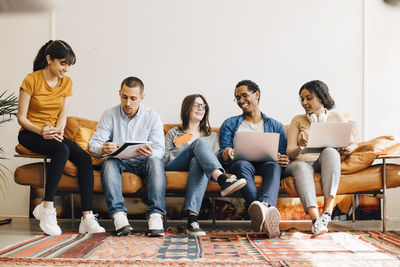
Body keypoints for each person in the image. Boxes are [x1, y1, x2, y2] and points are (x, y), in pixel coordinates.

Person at [17, 40, 105, 236]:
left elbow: (63, 115)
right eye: (63, 63)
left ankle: (87, 217)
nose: (66, 69)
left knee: (83, 157)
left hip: (52, 133)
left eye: (69, 65)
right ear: (49, 59)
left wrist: (57, 131)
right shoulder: (31, 80)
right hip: (30, 133)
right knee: (62, 150)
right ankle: (47, 208)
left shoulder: (66, 83)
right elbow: (21, 118)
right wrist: (41, 131)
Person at [89, 76, 166, 237]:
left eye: (133, 98)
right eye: (124, 97)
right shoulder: (110, 114)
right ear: (119, 93)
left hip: (145, 161)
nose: (128, 103)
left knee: (155, 160)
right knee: (109, 162)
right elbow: (93, 145)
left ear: (142, 98)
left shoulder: (153, 116)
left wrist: (151, 153)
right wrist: (103, 148)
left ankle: (155, 216)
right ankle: (118, 216)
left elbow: (160, 149)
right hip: (120, 162)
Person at [164, 94, 247, 236]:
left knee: (198, 160)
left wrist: (197, 152)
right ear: (187, 108)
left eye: (203, 106)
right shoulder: (174, 133)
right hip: (175, 165)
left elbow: (214, 159)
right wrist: (189, 145)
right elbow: (165, 158)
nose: (201, 108)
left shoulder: (211, 135)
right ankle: (222, 180)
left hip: (201, 167)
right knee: (199, 143)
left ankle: (192, 221)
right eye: (196, 105)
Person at [218, 80, 289, 238]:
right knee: (242, 164)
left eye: (244, 95)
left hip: (267, 164)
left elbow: (282, 154)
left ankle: (261, 211)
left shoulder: (276, 126)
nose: (241, 101)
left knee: (274, 166)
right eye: (237, 98)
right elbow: (223, 151)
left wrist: (283, 159)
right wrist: (226, 153)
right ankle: (266, 212)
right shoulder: (229, 124)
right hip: (242, 164)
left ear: (256, 94)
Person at [283, 80, 350, 236]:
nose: (304, 102)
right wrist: (300, 146)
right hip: (301, 162)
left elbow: (352, 144)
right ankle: (315, 221)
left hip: (324, 161)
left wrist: (347, 148)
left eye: (308, 98)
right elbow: (289, 152)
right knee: (300, 167)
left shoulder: (337, 117)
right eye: (302, 99)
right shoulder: (297, 120)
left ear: (321, 98)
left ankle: (327, 213)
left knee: (331, 151)